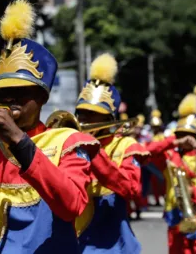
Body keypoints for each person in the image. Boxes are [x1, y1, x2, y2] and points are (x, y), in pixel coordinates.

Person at [0, 0, 100, 254]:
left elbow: (72, 206)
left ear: (43, 97)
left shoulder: (68, 142)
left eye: (21, 92)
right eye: (3, 92)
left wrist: (18, 139)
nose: (10, 98)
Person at [74, 53, 150, 253]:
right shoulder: (71, 144)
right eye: (81, 113)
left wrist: (96, 154)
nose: (83, 119)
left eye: (92, 114)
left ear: (108, 118)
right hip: (76, 240)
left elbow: (131, 189)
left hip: (112, 243)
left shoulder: (126, 145)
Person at [146, 93, 196, 254]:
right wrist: (173, 141)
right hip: (176, 218)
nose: (185, 139)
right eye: (180, 134)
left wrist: (194, 192)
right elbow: (146, 151)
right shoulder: (169, 156)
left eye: (188, 135)